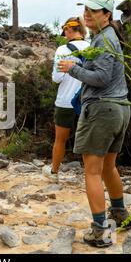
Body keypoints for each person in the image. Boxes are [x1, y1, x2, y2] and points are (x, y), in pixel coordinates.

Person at [59, 0, 131, 248]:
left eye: (95, 10)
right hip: (120, 108)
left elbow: (100, 78)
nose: (88, 14)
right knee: (108, 166)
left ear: (107, 15)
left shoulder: (104, 40)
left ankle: (100, 231)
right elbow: (106, 72)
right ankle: (121, 215)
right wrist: (80, 63)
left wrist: (73, 69)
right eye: (87, 9)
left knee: (92, 171)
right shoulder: (107, 37)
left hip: (102, 110)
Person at [43, 17, 89, 183]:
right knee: (88, 141)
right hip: (87, 100)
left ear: (69, 30)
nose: (64, 35)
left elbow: (56, 78)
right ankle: (90, 176)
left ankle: (54, 172)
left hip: (66, 100)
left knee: (60, 139)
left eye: (65, 32)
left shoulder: (62, 49)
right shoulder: (92, 47)